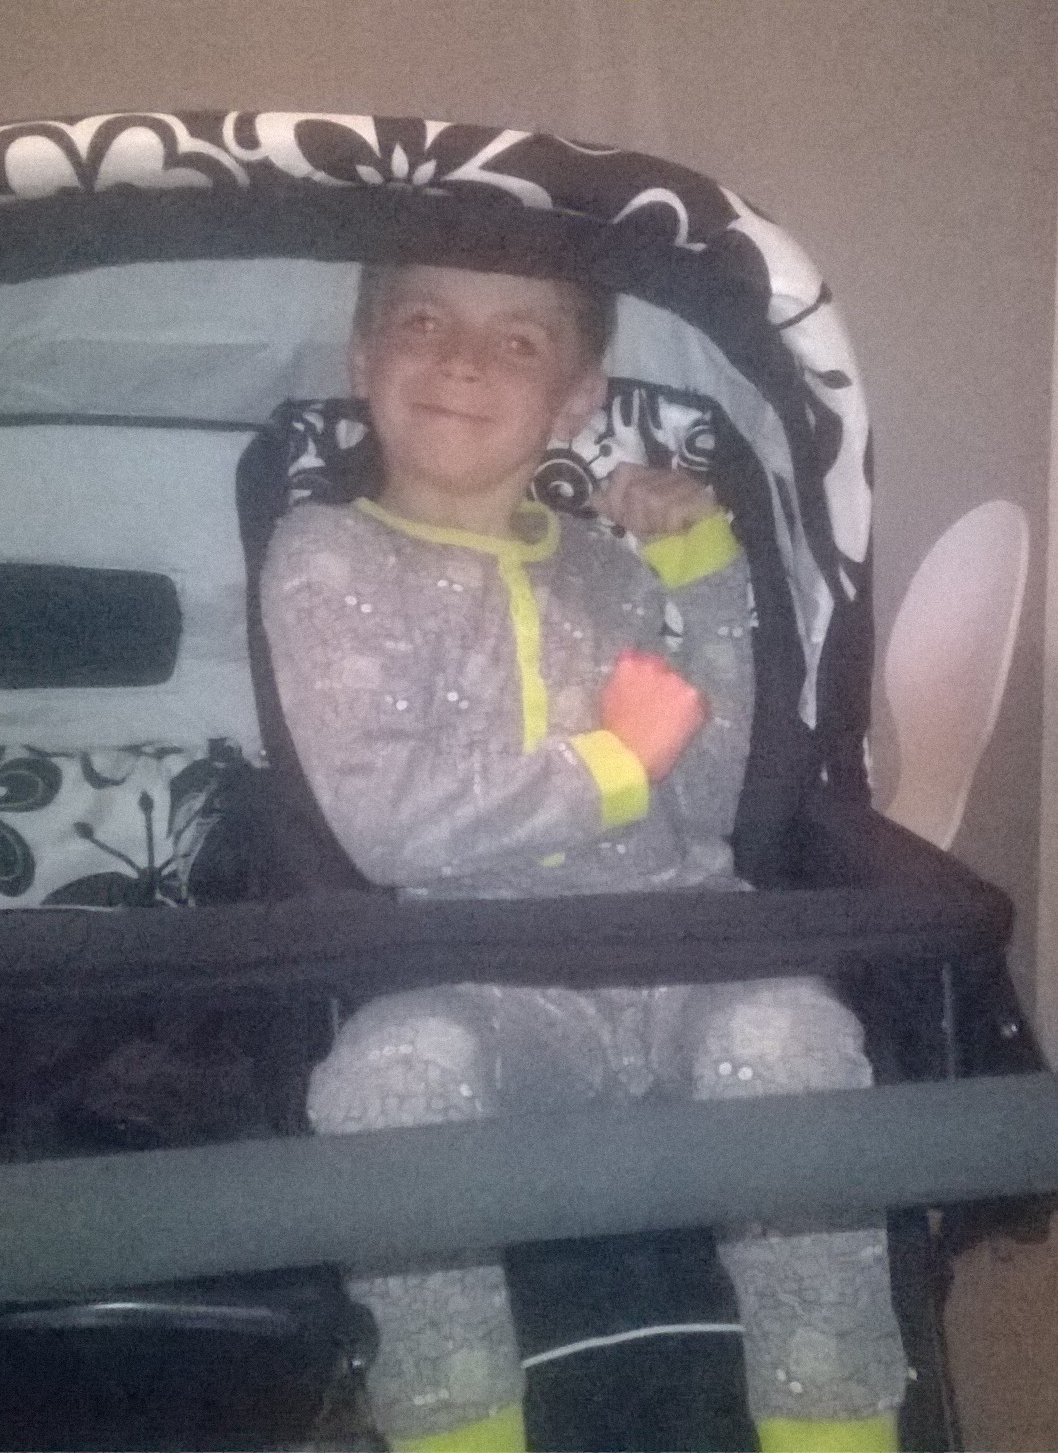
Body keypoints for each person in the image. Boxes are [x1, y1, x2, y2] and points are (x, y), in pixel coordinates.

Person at [259, 263, 904, 1453]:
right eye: (422, 321)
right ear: (361, 359)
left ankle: (833, 1432)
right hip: (483, 975)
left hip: (681, 948)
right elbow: (386, 819)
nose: (461, 358)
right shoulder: (325, 554)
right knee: (385, 1082)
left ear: (574, 398)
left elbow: (701, 805)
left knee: (795, 1046)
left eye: (517, 341)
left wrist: (707, 575)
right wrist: (611, 760)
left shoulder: (607, 566)